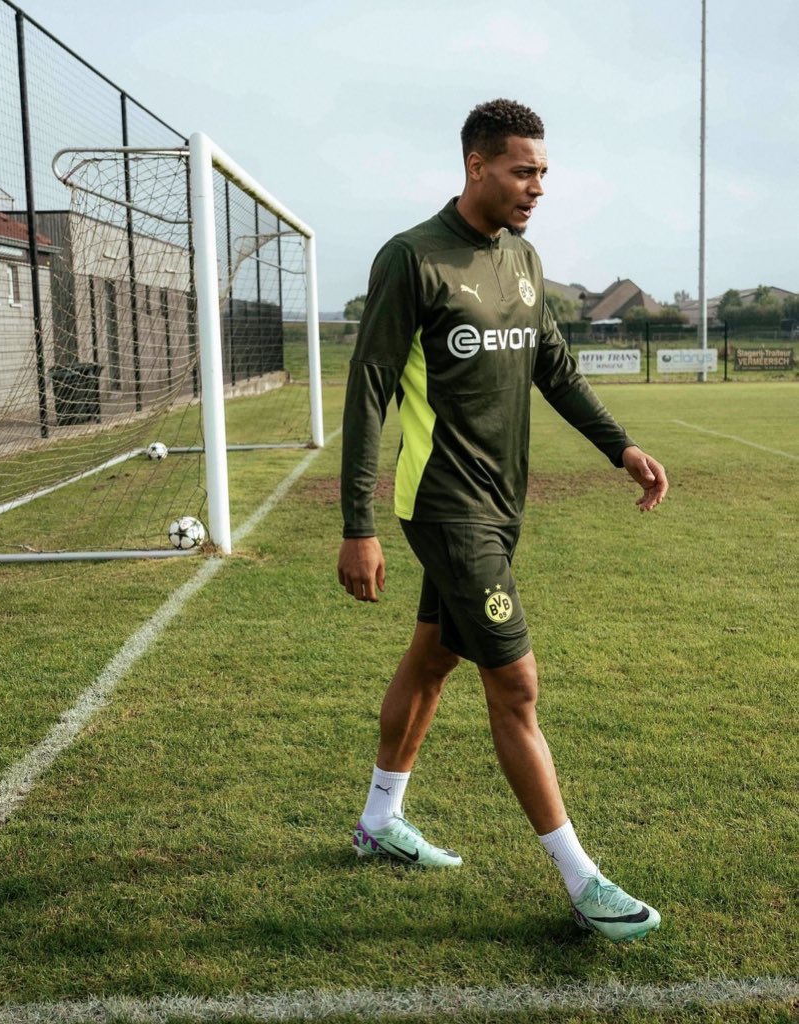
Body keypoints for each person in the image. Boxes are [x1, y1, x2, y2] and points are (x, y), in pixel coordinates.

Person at [336, 99, 668, 944]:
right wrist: (358, 524)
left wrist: (620, 448)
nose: (537, 187)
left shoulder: (522, 257)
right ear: (477, 165)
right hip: (445, 505)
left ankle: (379, 820)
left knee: (433, 657)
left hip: (502, 504)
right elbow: (369, 387)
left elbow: (552, 366)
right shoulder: (413, 258)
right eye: (523, 170)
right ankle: (582, 879)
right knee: (515, 685)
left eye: (544, 173)